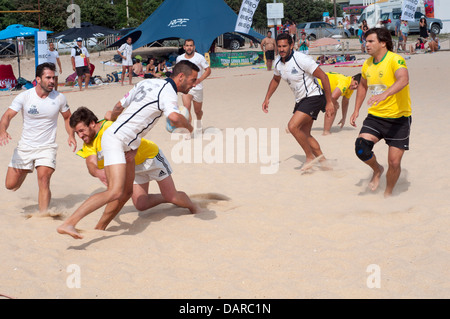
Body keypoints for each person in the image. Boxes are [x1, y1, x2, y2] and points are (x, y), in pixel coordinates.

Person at [57, 60, 198, 239]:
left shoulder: (146, 82)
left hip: (124, 142)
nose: (194, 84)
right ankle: (69, 223)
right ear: (181, 77)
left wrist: (114, 117)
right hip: (117, 140)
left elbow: (117, 107)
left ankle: (99, 228)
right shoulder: (168, 92)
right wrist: (190, 127)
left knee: (126, 193)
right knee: (114, 192)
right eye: (193, 80)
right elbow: (175, 118)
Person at [68, 106, 201, 230]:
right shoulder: (89, 143)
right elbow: (91, 164)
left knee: (173, 196)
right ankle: (165, 197)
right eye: (76, 133)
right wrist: (98, 172)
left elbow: (135, 129)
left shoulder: (110, 127)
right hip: (133, 166)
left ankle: (193, 206)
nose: (80, 136)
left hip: (151, 158)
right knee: (141, 204)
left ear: (92, 123)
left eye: (81, 131)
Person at [0, 63, 76, 214]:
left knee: (43, 179)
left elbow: (68, 118)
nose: (52, 81)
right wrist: (2, 131)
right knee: (10, 185)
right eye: (48, 77)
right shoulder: (25, 96)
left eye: (53, 77)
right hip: (26, 146)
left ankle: (43, 215)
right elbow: (7, 115)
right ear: (38, 79)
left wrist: (71, 134)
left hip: (47, 147)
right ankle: (26, 169)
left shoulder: (59, 98)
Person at [349, 28, 412, 197]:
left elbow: (403, 79)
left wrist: (385, 94)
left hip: (399, 118)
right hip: (376, 117)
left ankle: (388, 193)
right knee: (361, 148)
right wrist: (356, 110)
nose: (366, 44)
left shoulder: (395, 59)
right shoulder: (367, 63)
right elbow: (362, 85)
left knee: (394, 162)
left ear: (383, 43)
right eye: (365, 41)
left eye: (370, 41)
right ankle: (377, 170)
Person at [262, 33, 334, 172]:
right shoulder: (278, 62)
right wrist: (267, 98)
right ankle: (324, 162)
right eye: (279, 46)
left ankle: (309, 157)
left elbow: (324, 77)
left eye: (284, 46)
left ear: (291, 45)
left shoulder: (302, 59)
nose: (281, 49)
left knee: (293, 126)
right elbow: (275, 80)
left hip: (314, 97)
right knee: (305, 133)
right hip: (300, 100)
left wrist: (329, 102)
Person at [176, 39, 211, 133]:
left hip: (197, 88)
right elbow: (178, 72)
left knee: (198, 111)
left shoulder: (199, 57)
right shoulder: (179, 58)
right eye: (187, 45)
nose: (189, 47)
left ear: (194, 47)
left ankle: (199, 122)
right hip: (186, 89)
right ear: (184, 47)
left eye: (191, 45)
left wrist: (199, 80)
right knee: (186, 109)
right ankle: (188, 130)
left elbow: (208, 70)